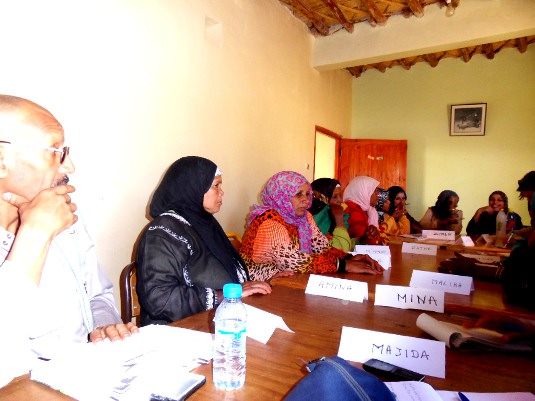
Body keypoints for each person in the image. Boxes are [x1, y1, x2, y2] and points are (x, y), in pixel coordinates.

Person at [0, 95, 137, 388]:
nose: (69, 166)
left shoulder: (65, 216)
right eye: (55, 152)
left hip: (94, 379)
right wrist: (35, 234)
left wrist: (103, 325)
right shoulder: (47, 221)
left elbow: (98, 294)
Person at [136, 156, 271, 326]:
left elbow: (227, 270)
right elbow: (159, 298)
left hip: (218, 319)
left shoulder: (204, 224)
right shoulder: (163, 232)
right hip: (177, 330)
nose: (222, 192)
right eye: (216, 185)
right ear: (192, 187)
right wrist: (224, 295)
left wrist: (268, 276)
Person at [240, 171, 384, 281]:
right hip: (259, 286)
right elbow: (294, 261)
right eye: (298, 194)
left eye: (307, 194)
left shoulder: (304, 218)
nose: (306, 200)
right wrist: (344, 265)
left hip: (289, 280)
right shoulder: (269, 222)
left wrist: (348, 257)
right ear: (281, 196)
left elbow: (322, 247)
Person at [438, 171, 535, 310]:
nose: (530, 209)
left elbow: (521, 283)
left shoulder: (512, 217)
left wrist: (477, 268)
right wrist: (479, 212)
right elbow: (471, 231)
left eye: (531, 199)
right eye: (528, 201)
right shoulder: (485, 215)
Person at [308, 178, 352, 251]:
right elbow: (340, 251)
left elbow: (349, 244)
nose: (341, 200)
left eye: (340, 195)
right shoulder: (313, 220)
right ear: (321, 198)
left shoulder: (338, 214)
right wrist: (339, 221)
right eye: (335, 197)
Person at [343, 176, 389, 245]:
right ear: (364, 192)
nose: (378, 194)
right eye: (375, 190)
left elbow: (382, 237)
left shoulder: (369, 210)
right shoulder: (352, 210)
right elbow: (363, 240)